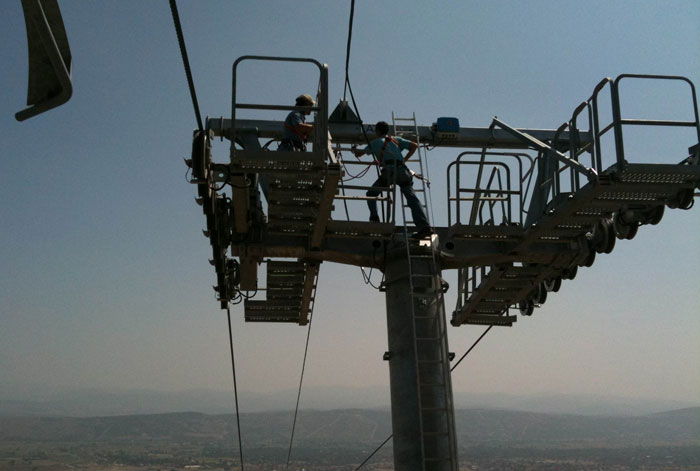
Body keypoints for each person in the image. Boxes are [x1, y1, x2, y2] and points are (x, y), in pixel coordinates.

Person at [353, 121, 433, 239]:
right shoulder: (395, 140)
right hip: (402, 171)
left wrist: (354, 150)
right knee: (412, 199)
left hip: (389, 172)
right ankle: (424, 227)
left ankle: (374, 219)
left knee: (371, 193)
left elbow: (359, 154)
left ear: (378, 131)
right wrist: (404, 159)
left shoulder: (375, 143)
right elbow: (414, 146)